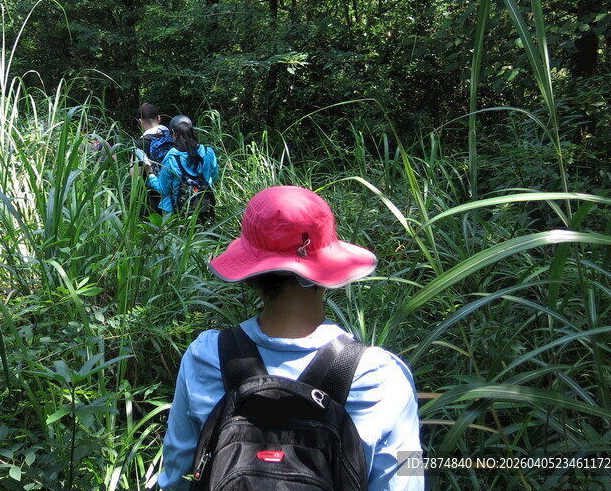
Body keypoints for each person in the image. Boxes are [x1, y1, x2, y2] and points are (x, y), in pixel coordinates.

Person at [158, 186, 422, 490]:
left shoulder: (205, 357)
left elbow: (176, 477)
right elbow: (405, 482)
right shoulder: (382, 376)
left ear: (252, 276)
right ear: (327, 273)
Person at [146, 115, 219, 220]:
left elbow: (163, 190)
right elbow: (214, 177)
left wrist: (150, 174)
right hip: (204, 207)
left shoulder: (172, 157)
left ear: (173, 133)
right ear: (192, 130)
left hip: (176, 213)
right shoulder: (208, 152)